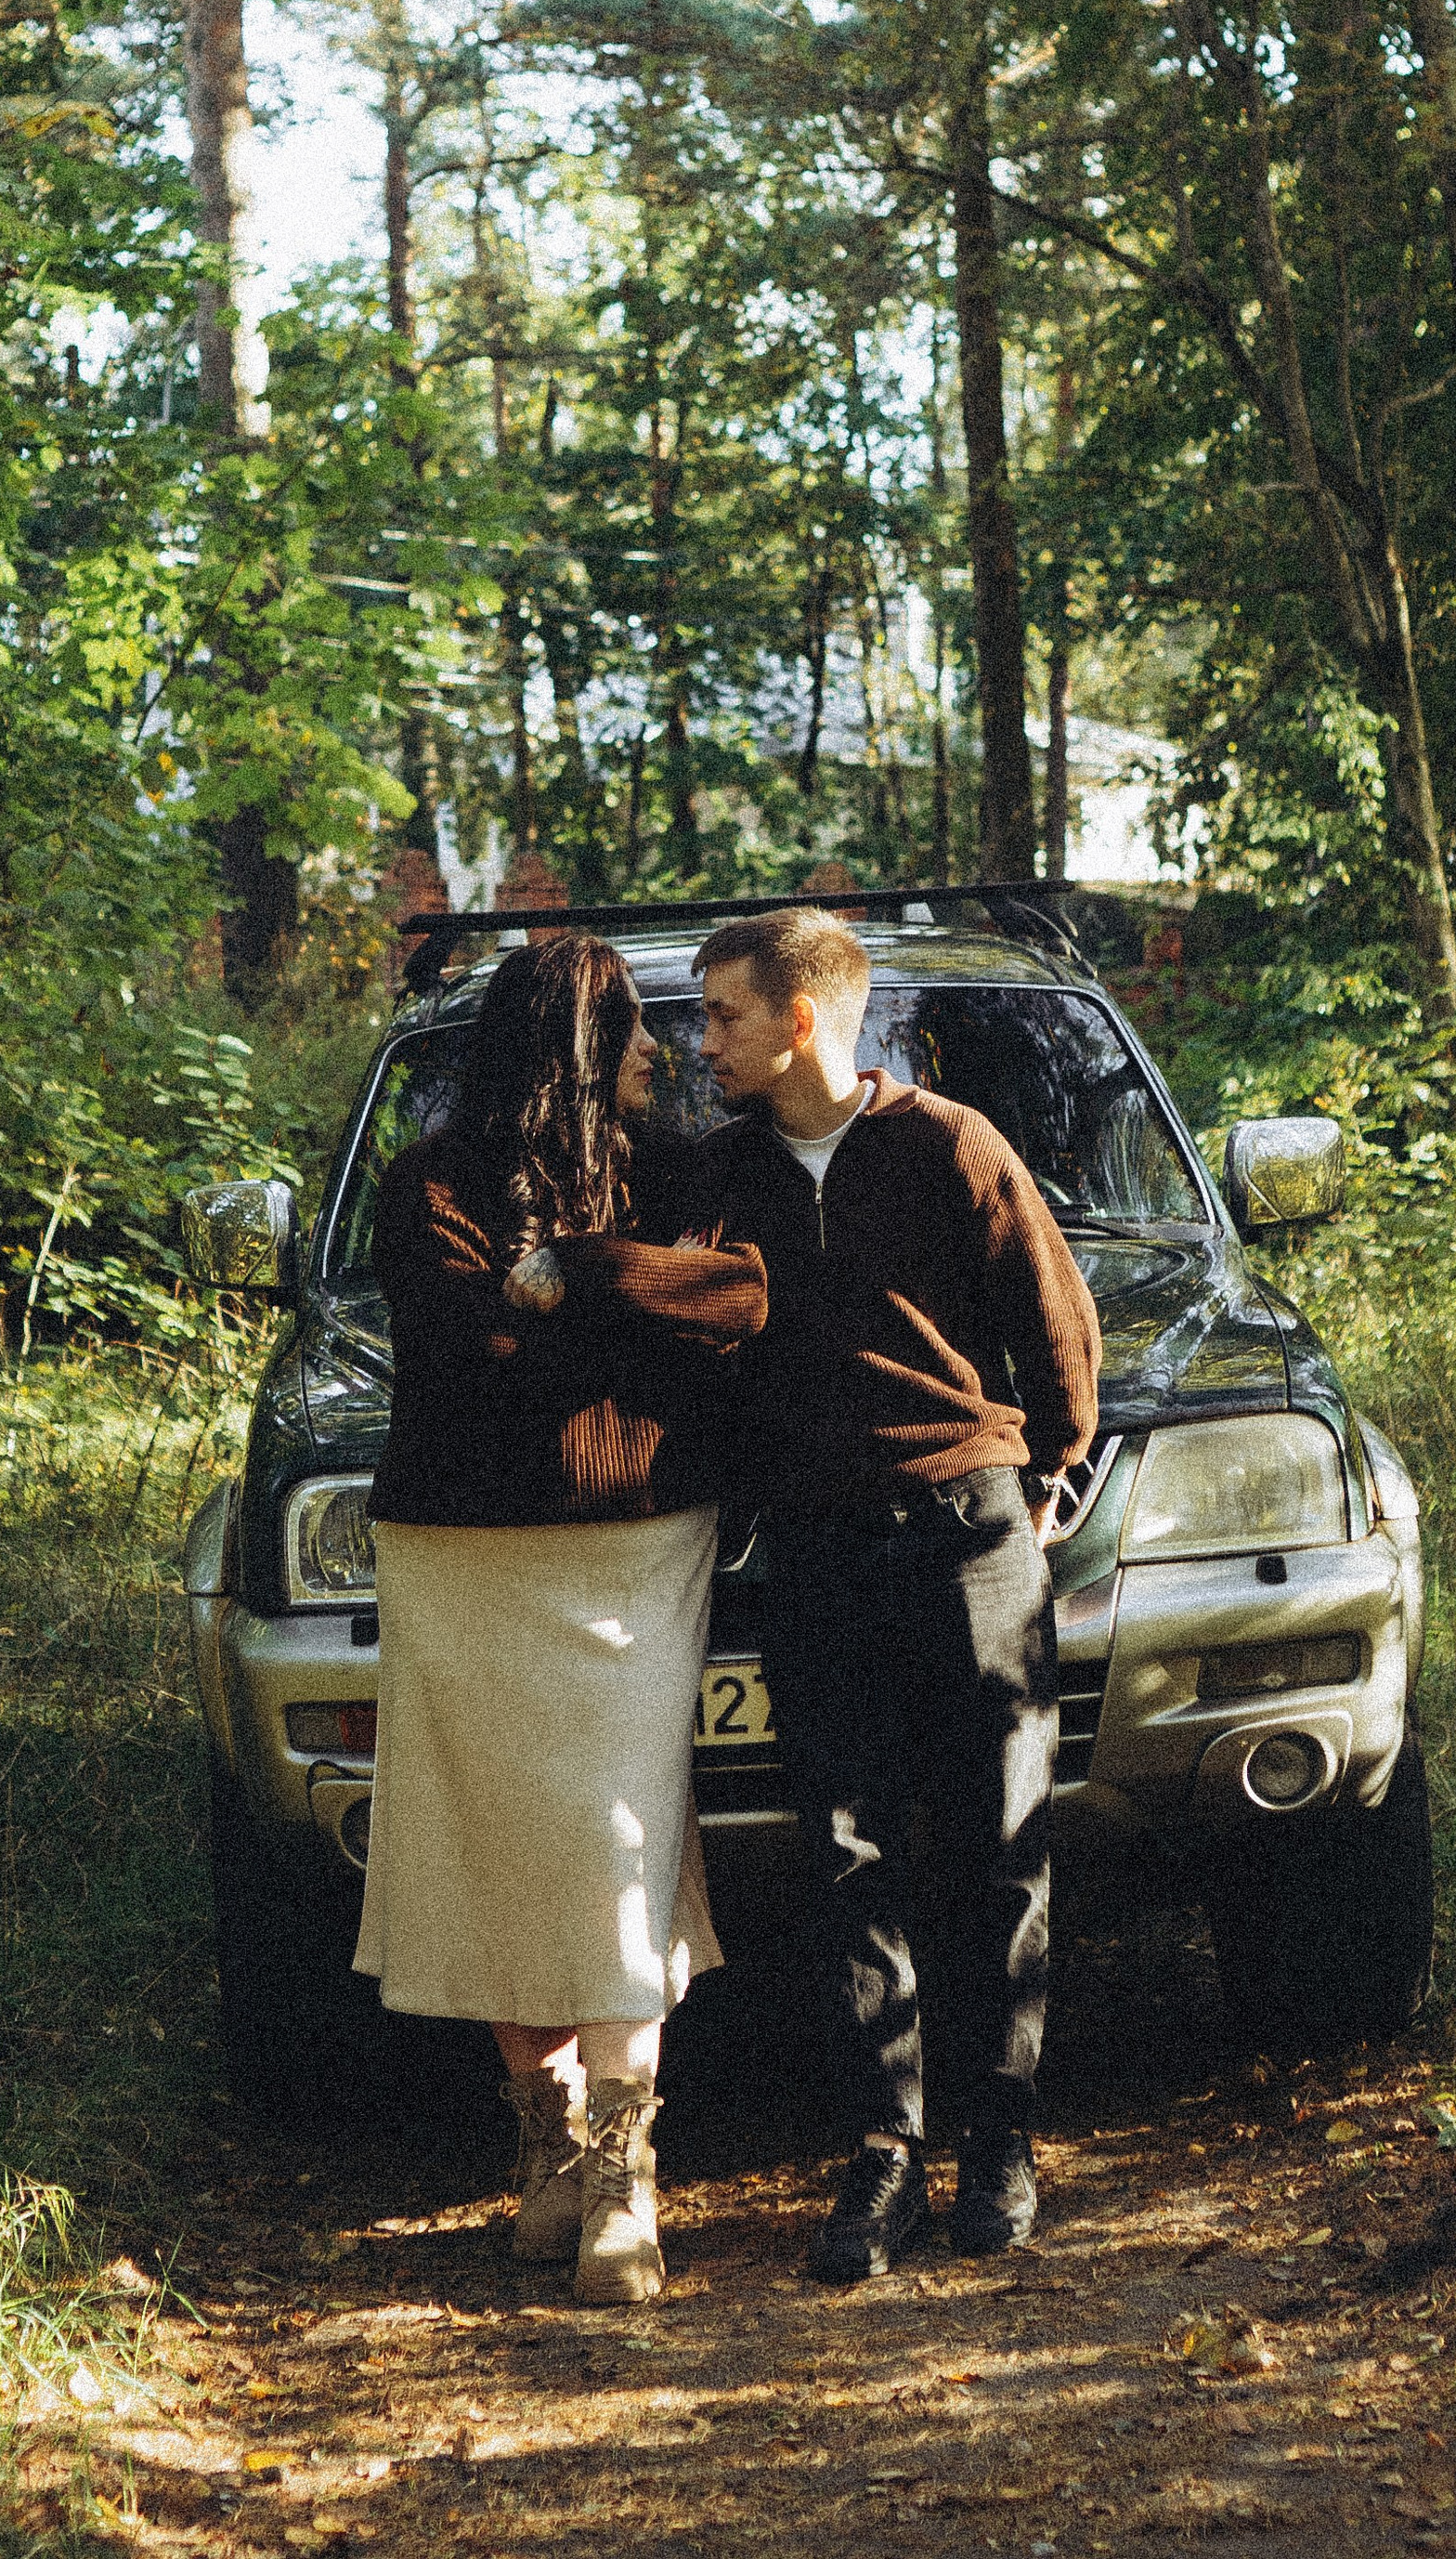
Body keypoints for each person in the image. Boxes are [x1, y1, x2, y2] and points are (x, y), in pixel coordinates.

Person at [684, 905, 1101, 2281]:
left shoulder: (949, 1146)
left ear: (801, 1018)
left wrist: (1048, 1479)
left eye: (724, 1016)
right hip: (811, 1548)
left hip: (965, 1533)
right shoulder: (722, 1176)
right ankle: (882, 2156)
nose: (706, 1044)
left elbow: (1056, 1325)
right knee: (845, 1851)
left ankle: (1001, 2139)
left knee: (996, 1840)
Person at [357, 932, 767, 2304]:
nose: (661, 1051)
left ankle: (623, 2186)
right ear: (575, 1050)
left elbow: (737, 1304)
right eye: (639, 1031)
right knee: (494, 1853)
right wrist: (628, 1314)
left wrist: (580, 1277)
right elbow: (470, 1356)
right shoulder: (424, 1191)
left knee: (616, 1849)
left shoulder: (685, 1173)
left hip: (635, 1553)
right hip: (463, 1560)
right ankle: (545, 2166)